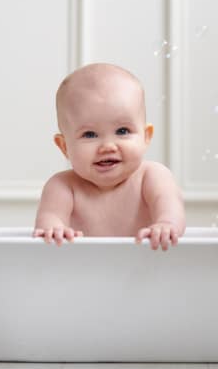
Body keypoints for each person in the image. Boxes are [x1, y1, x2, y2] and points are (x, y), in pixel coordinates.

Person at [33, 63, 185, 251]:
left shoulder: (152, 176)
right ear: (64, 146)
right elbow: (49, 220)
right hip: (83, 273)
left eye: (122, 131)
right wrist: (54, 229)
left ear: (146, 137)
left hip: (147, 269)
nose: (107, 146)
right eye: (90, 134)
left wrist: (166, 224)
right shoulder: (63, 187)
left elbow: (171, 208)